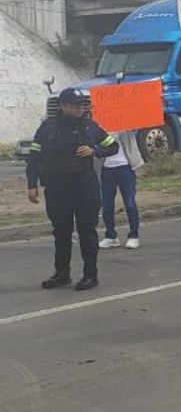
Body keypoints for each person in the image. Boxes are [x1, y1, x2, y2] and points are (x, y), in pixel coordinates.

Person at [25, 87, 119, 291]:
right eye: (75, 106)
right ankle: (62, 273)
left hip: (84, 186)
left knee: (87, 231)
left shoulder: (90, 126)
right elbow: (34, 157)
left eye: (82, 106)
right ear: (63, 106)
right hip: (57, 187)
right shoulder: (47, 128)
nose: (80, 109)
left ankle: (90, 275)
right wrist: (31, 184)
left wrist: (95, 150)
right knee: (61, 231)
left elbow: (113, 146)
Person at [98, 130, 143, 250]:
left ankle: (134, 235)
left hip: (125, 168)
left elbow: (135, 128)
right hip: (107, 169)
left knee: (130, 203)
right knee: (106, 204)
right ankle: (111, 236)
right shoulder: (100, 128)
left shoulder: (126, 127)